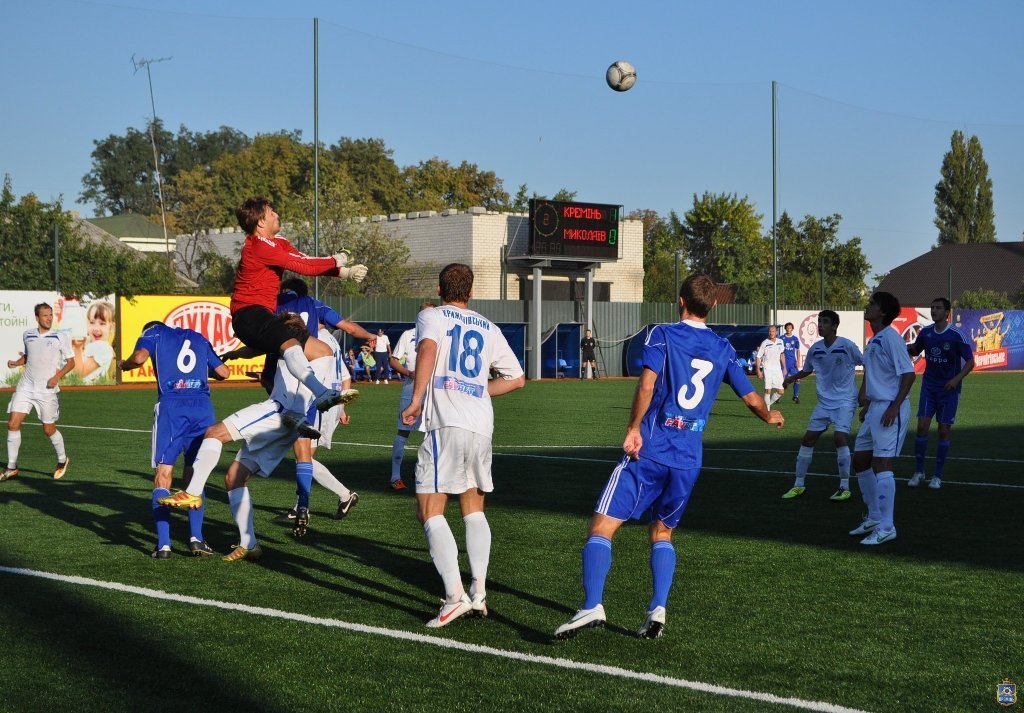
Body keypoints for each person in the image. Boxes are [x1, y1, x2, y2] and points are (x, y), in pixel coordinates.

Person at [554, 275, 784, 640]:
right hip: (688, 457)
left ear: (681, 301)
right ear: (713, 306)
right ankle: (657, 606)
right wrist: (769, 415)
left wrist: (633, 428)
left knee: (602, 526)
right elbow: (749, 395)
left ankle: (592, 604)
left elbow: (647, 383)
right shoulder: (723, 348)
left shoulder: (662, 333)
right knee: (663, 532)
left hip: (651, 448)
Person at [401, 264, 525, 628]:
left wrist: (418, 397)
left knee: (429, 510)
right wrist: (478, 392)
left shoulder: (432, 315)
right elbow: (517, 380)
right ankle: (480, 592)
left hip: (448, 423)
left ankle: (455, 598)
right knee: (473, 508)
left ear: (440, 289)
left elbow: (427, 349)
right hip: (481, 425)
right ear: (470, 292)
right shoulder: (489, 327)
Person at [159, 312, 332, 561]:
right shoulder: (303, 347)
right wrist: (237, 354)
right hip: (289, 420)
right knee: (234, 477)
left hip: (279, 412)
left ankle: (194, 490)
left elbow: (299, 378)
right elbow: (264, 353)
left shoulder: (303, 344)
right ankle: (249, 543)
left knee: (213, 433)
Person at [227, 195, 367, 416]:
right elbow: (303, 266)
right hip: (248, 314)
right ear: (261, 222)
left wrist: (342, 272)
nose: (277, 214)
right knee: (291, 345)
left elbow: (305, 259)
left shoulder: (278, 243)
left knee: (324, 352)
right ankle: (319, 395)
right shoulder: (257, 246)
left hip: (263, 316)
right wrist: (335, 260)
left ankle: (294, 412)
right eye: (272, 212)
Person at [119, 321, 230, 558]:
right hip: (203, 409)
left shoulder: (153, 332)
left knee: (163, 473)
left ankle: (164, 545)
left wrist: (124, 364)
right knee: (195, 472)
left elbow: (139, 358)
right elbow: (223, 372)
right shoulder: (198, 337)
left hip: (173, 408)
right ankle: (197, 539)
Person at [849, 292, 915, 546]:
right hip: (877, 408)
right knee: (860, 461)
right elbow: (873, 373)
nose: (869, 306)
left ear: (883, 312)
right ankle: (875, 517)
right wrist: (866, 400)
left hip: (890, 408)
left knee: (882, 465)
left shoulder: (891, 338)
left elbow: (909, 375)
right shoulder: (875, 339)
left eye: (873, 304)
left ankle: (888, 527)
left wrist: (894, 407)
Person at [780, 311, 863, 501]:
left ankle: (844, 487)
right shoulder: (815, 349)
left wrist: (864, 391)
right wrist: (791, 378)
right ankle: (799, 484)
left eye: (825, 322)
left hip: (845, 401)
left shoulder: (847, 345)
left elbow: (865, 363)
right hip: (824, 403)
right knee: (808, 439)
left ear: (834, 326)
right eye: (819, 322)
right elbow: (807, 370)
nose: (820, 325)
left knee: (840, 438)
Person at [2, 303, 76, 482]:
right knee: (12, 424)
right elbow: (28, 356)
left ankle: (62, 459)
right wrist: (17, 362)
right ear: (37, 317)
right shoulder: (28, 334)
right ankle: (12, 467)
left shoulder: (60, 336)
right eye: (45, 315)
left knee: (48, 429)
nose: (49, 318)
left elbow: (71, 362)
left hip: (47, 391)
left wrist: (57, 377)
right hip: (25, 387)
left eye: (50, 315)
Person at [907, 297, 975, 489]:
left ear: (947, 313)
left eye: (938, 308)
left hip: (949, 389)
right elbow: (915, 349)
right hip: (929, 386)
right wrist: (900, 348)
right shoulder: (926, 333)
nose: (934, 311)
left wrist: (955, 379)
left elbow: (970, 362)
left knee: (943, 430)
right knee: (922, 426)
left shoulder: (956, 335)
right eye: (932, 308)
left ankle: (937, 476)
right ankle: (919, 472)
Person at [388, 301, 437, 490]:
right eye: (424, 314)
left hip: (434, 391)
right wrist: (409, 373)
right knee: (403, 431)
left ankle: (427, 477)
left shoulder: (441, 336)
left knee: (432, 434)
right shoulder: (408, 335)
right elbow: (393, 360)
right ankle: (395, 476)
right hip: (411, 389)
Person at [72, 300, 116, 384]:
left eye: (102, 324)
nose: (96, 328)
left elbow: (79, 375)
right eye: (92, 322)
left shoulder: (103, 347)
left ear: (111, 326)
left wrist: (77, 348)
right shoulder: (92, 343)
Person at [756, 325, 786, 409]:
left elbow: (782, 354)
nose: (771, 333)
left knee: (781, 391)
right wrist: (758, 370)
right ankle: (767, 411)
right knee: (768, 390)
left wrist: (785, 367)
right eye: (770, 331)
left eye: (773, 331)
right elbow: (758, 357)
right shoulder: (765, 343)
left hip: (778, 370)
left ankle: (766, 405)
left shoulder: (780, 341)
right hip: (767, 369)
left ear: (776, 332)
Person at [781, 322, 802, 403]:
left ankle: (795, 396)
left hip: (793, 363)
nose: (788, 329)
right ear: (785, 329)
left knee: (798, 379)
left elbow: (798, 350)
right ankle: (778, 397)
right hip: (784, 363)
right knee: (783, 381)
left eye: (790, 328)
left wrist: (798, 360)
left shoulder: (795, 339)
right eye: (787, 328)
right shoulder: (781, 338)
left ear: (792, 329)